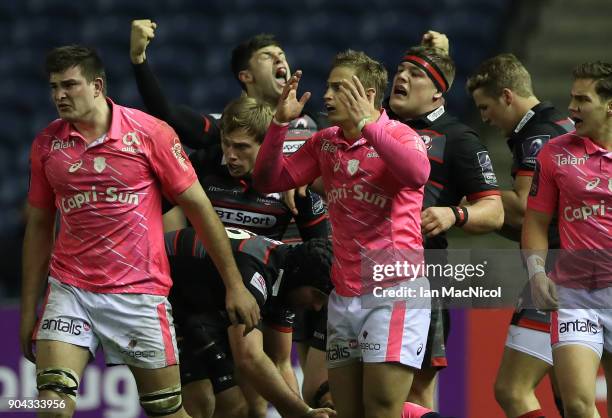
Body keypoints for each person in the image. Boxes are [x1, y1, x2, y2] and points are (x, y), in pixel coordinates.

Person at [20, 45, 259, 418]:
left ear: (97, 86)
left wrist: (234, 284)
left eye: (69, 85)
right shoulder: (48, 145)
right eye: (53, 87)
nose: (59, 96)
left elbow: (200, 210)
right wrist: (27, 309)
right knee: (51, 406)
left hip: (140, 295)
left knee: (166, 410)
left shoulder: (149, 134)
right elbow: (38, 228)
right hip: (72, 290)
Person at [130, 21, 330, 415]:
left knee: (260, 387)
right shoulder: (210, 153)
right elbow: (165, 115)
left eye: (242, 148)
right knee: (224, 402)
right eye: (228, 146)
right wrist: (138, 60)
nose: (232, 155)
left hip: (276, 276)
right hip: (204, 287)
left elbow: (323, 238)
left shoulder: (305, 153)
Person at [253, 50, 432, 418]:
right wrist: (278, 126)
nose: (327, 96)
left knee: (382, 408)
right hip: (344, 294)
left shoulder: (402, 135)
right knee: (347, 411)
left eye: (338, 88)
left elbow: (417, 175)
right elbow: (269, 180)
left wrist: (369, 125)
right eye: (328, 87)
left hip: (394, 291)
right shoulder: (326, 142)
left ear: (367, 93)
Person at [386, 35, 503, 409]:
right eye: (399, 70)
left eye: (413, 73)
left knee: (416, 392)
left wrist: (455, 213)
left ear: (438, 93)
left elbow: (494, 211)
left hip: (422, 274)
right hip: (359, 273)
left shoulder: (458, 139)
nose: (400, 77)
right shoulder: (376, 128)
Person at [467, 53, 574, 418]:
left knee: (512, 390)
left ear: (508, 96)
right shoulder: (557, 122)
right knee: (571, 397)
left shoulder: (537, 134)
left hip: (558, 272)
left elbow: (527, 207)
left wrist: (471, 201)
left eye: (486, 106)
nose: (484, 118)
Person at [165, 226, 336, 418]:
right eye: (317, 295)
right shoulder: (255, 275)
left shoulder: (287, 276)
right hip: (155, 287)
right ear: (301, 276)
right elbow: (248, 358)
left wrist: (304, 413)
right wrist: (303, 412)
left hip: (190, 302)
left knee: (235, 407)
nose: (317, 307)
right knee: (200, 399)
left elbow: (280, 363)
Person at [523, 61, 612, 418]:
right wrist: (536, 273)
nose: (572, 107)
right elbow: (536, 221)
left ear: (610, 105)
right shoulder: (554, 152)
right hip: (575, 295)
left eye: (582, 99)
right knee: (576, 404)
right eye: (572, 97)